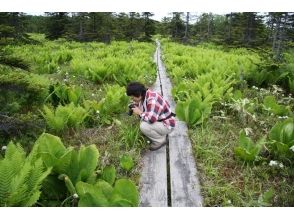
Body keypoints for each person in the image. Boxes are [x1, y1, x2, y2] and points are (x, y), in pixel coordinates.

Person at [126, 82, 176, 151]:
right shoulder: (145, 95)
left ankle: (160, 140)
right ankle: (158, 135)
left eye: (133, 97)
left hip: (167, 125)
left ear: (138, 94)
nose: (132, 99)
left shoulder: (152, 99)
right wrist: (136, 105)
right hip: (160, 121)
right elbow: (147, 110)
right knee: (143, 121)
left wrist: (139, 112)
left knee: (143, 126)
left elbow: (151, 119)